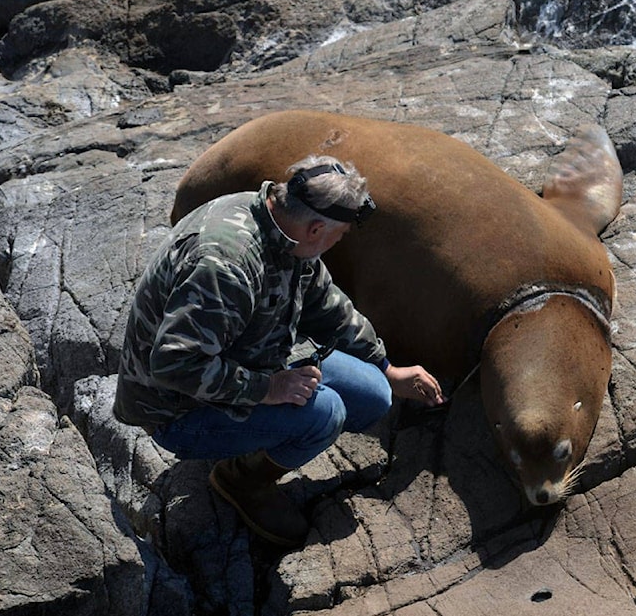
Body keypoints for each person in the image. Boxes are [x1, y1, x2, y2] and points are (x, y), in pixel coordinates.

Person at [114, 155, 444, 546]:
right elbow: (174, 364)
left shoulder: (286, 227)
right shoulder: (226, 264)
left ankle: (260, 437)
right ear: (317, 227)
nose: (337, 243)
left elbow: (326, 305)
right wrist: (270, 389)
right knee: (326, 414)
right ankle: (242, 480)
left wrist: (386, 366)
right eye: (338, 235)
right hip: (178, 408)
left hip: (255, 355)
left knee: (375, 392)